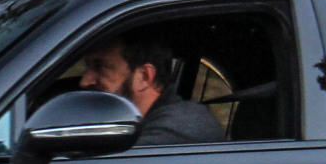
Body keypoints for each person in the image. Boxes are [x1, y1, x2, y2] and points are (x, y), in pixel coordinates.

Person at [77, 30, 223, 146]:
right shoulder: (143, 125)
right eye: (87, 67)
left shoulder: (183, 124)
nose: (84, 81)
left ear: (144, 77)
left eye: (99, 67)